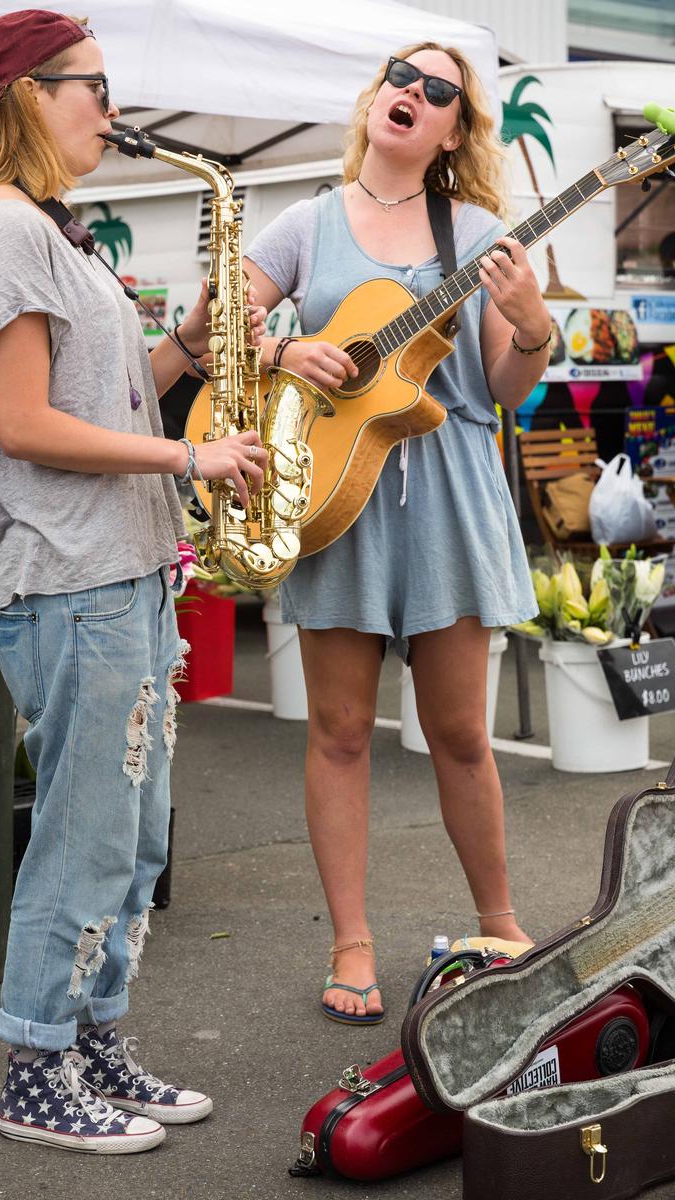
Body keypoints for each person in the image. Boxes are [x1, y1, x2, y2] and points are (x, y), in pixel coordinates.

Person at [0, 9, 268, 1152]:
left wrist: (185, 342)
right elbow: (31, 423)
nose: (110, 106)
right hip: (73, 583)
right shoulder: (4, 230)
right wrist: (193, 455)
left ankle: (91, 1042)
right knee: (82, 838)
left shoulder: (55, 231)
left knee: (131, 839)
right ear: (28, 96)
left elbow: (108, 392)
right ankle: (34, 1068)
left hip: (123, 575)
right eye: (91, 84)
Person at [244, 43, 550, 1024]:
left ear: (454, 130)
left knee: (460, 734)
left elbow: (505, 391)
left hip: (449, 491)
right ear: (374, 97)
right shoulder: (304, 222)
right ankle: (351, 943)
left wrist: (530, 326)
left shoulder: (479, 232)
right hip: (340, 488)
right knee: (338, 734)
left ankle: (500, 924)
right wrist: (287, 346)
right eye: (399, 77)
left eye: (438, 91)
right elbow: (217, 333)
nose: (411, 94)